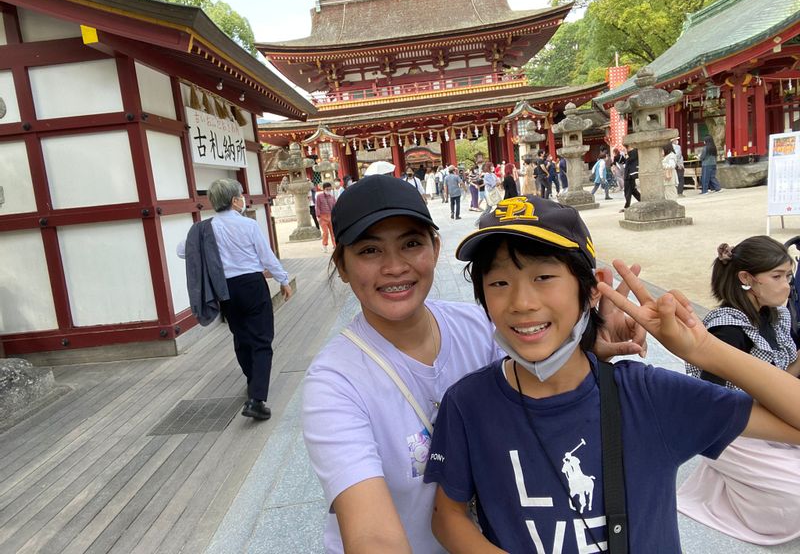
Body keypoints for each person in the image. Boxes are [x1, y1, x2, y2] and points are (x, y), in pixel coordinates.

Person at [423, 195, 800, 552]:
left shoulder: (648, 396)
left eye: (544, 277)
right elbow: (447, 515)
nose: (521, 303)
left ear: (590, 289)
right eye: (499, 283)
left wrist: (703, 350)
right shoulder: (469, 404)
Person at [302, 179, 646, 554]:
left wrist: (582, 339)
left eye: (411, 243)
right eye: (369, 250)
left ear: (435, 248)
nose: (394, 267)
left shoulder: (481, 329)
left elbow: (539, 384)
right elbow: (372, 537)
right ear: (343, 265)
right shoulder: (334, 382)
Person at [678, 236, 800, 545]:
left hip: (773, 413)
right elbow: (711, 401)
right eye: (777, 276)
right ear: (746, 279)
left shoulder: (775, 313)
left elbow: (777, 379)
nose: (787, 285)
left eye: (788, 275)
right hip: (734, 430)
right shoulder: (727, 329)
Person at [179, 178, 292, 421]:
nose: (243, 199)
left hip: (225, 290)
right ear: (234, 200)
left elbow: (182, 250)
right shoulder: (248, 225)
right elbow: (266, 256)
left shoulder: (205, 228)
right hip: (252, 285)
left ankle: (253, 382)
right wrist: (283, 279)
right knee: (262, 340)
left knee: (241, 337)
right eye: (241, 195)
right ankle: (257, 399)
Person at [316, 182, 337, 253]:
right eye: (327, 189)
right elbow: (317, 206)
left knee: (333, 232)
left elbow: (335, 207)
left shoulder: (332, 197)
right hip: (322, 216)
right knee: (325, 232)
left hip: (331, 216)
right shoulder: (319, 196)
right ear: (324, 189)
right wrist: (318, 216)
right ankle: (324, 245)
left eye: (330, 189)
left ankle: (335, 245)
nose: (329, 190)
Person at [620, 147, 641, 212]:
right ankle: (642, 200)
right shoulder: (630, 153)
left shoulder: (634, 152)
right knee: (633, 190)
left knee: (628, 191)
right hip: (628, 173)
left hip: (630, 174)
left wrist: (626, 153)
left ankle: (627, 206)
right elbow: (622, 161)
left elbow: (629, 160)